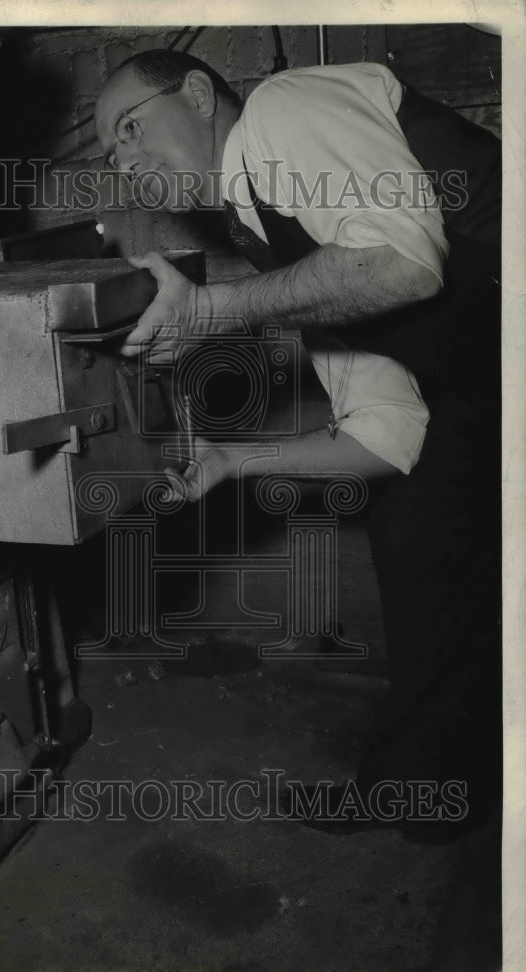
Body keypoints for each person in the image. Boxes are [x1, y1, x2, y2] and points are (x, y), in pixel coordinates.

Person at [94, 50, 502, 837]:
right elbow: (389, 433)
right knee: (416, 525)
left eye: (132, 126)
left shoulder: (284, 109)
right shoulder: (279, 248)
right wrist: (231, 462)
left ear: (199, 94)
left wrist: (211, 311)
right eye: (110, 151)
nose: (125, 160)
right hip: (487, 386)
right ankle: (417, 785)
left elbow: (400, 262)